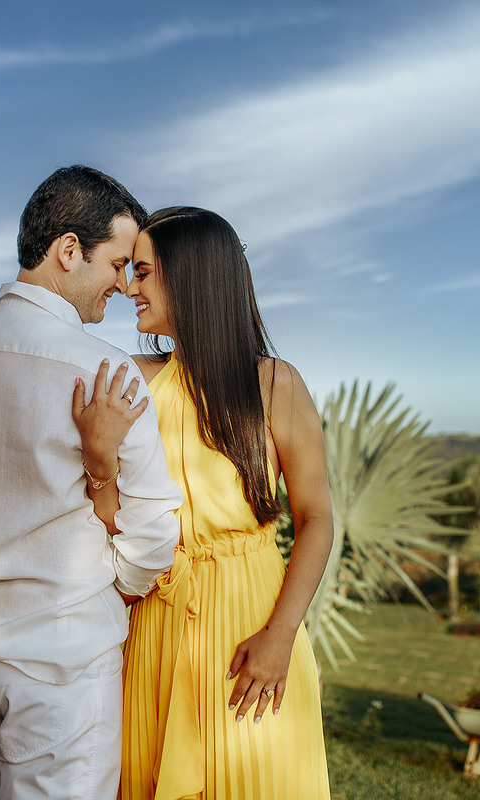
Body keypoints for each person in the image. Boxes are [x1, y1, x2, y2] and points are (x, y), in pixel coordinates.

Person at [0, 165, 183, 799]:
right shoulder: (103, 369)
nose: (123, 285)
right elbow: (153, 529)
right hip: (61, 660)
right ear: (68, 250)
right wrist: (110, 591)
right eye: (118, 263)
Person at [76, 206, 334, 799]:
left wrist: (281, 635)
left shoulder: (274, 384)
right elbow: (108, 526)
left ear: (190, 277)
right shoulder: (127, 380)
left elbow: (317, 518)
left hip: (254, 625)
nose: (127, 287)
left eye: (142, 273)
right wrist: (98, 461)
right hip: (153, 620)